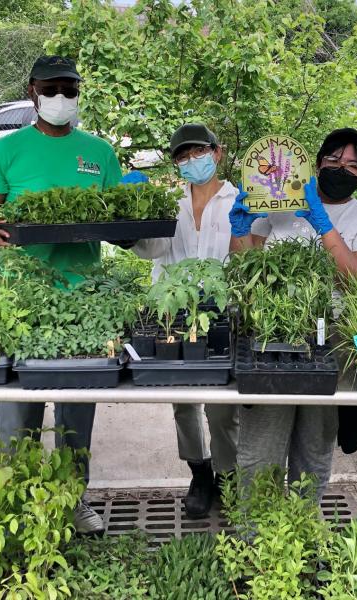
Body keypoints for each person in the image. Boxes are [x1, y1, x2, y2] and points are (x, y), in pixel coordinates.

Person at [0, 55, 123, 534]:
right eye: (52, 88)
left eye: (70, 89)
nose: (62, 98)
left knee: (77, 413)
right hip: (23, 301)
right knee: (19, 414)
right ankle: (20, 508)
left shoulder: (99, 153)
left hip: (85, 303)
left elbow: (120, 221)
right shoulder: (5, 151)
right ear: (33, 90)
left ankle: (74, 501)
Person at [229, 128, 357, 499]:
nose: (341, 168)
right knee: (258, 452)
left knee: (313, 449)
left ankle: (303, 532)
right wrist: (239, 228)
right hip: (270, 337)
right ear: (316, 164)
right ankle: (255, 538)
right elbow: (245, 264)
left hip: (330, 343)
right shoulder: (279, 206)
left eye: (352, 165)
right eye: (333, 160)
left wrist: (323, 225)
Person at [132, 123, 239, 519]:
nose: (191, 161)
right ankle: (200, 472)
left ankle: (228, 475)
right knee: (183, 402)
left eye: (198, 152)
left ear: (217, 152)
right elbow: (152, 249)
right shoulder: (169, 204)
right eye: (182, 156)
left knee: (223, 407)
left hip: (222, 313)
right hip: (172, 314)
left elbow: (247, 252)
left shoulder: (237, 201)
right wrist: (131, 226)